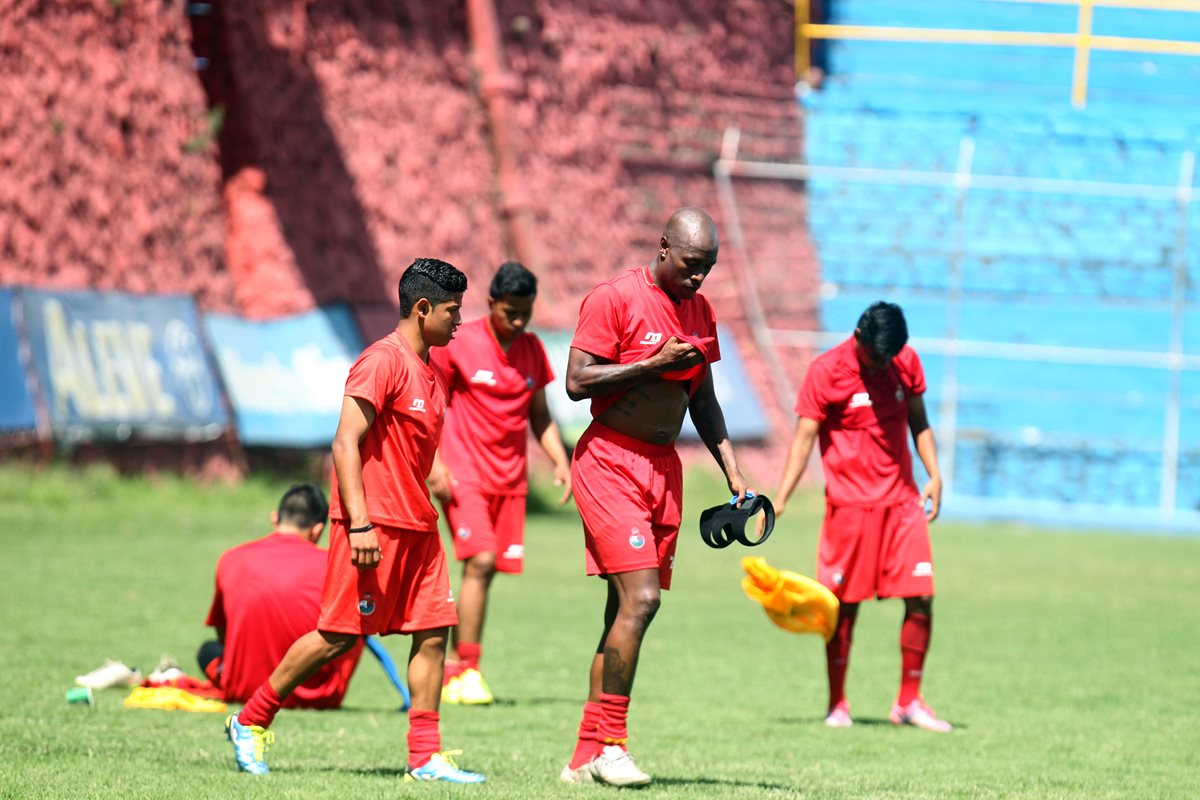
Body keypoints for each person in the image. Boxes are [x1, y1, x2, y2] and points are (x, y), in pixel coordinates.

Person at [223, 258, 485, 782]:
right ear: (422, 307)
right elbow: (345, 442)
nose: (460, 321)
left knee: (434, 633)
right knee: (338, 635)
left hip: (419, 527)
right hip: (374, 527)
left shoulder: (431, 374)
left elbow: (410, 446)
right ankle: (250, 721)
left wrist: (435, 472)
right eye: (454, 311)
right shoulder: (380, 361)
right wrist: (359, 524)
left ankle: (424, 757)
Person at [559, 208, 752, 786]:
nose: (699, 279)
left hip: (664, 471)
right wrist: (651, 365)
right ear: (664, 246)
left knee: (620, 610)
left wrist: (733, 472)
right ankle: (613, 747)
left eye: (709, 269)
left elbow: (704, 400)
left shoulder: (702, 311)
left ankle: (582, 757)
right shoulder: (612, 299)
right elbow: (575, 383)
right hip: (610, 462)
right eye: (692, 266)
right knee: (642, 601)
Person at [769, 301, 951, 733]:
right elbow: (803, 440)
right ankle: (838, 704)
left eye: (891, 357)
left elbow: (919, 423)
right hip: (849, 507)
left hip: (903, 503)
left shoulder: (904, 361)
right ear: (858, 337)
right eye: (877, 357)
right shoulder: (826, 371)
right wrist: (780, 499)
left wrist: (935, 475)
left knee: (922, 597)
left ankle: (909, 701)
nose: (885, 364)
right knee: (842, 609)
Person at [428, 261, 572, 706]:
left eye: (525, 313)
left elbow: (540, 414)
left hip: (510, 482)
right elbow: (429, 404)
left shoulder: (531, 349)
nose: (518, 321)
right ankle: (463, 671)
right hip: (463, 473)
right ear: (491, 304)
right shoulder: (460, 344)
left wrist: (560, 459)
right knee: (481, 562)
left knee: (485, 573)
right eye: (511, 312)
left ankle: (459, 668)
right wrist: (433, 463)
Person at [200, 483, 364, 709]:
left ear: (275, 518)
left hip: (245, 689)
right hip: (318, 695)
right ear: (317, 530)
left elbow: (223, 633)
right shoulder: (333, 565)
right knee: (355, 624)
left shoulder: (231, 558)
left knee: (208, 651)